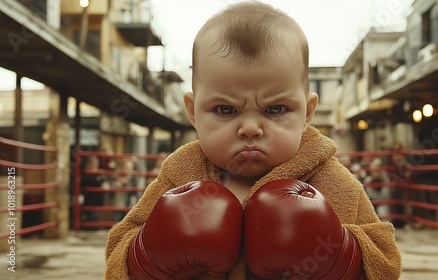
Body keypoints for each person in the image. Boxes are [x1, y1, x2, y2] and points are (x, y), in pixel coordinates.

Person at [105, 2, 401, 279]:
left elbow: (385, 262)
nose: (249, 128)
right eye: (225, 109)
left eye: (275, 109)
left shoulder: (331, 181)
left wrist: (342, 255)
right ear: (193, 112)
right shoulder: (179, 175)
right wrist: (147, 255)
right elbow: (117, 252)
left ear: (307, 112)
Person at [81, 156, 109, 223]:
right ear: (89, 164)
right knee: (91, 218)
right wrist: (100, 180)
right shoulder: (86, 174)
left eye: (96, 164)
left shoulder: (98, 174)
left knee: (95, 218)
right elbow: (91, 181)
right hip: (90, 200)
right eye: (93, 164)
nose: (95, 166)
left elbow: (105, 180)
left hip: (97, 201)